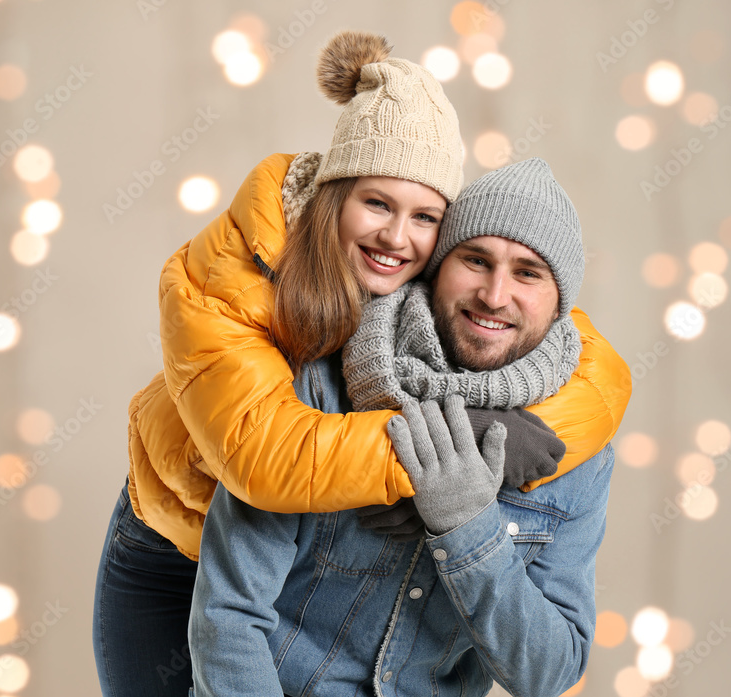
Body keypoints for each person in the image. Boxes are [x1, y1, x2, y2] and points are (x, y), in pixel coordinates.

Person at [93, 31, 630, 697]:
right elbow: (263, 461)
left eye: (425, 217)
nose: (396, 236)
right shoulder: (260, 306)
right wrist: (430, 465)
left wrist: (467, 514)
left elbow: (549, 669)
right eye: (376, 202)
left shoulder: (563, 417)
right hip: (171, 540)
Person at [189, 158, 625, 697]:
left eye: (528, 273)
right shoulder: (318, 384)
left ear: (561, 302)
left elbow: (549, 673)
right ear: (437, 266)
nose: (494, 294)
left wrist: (468, 526)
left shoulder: (579, 454)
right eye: (475, 259)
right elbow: (229, 616)